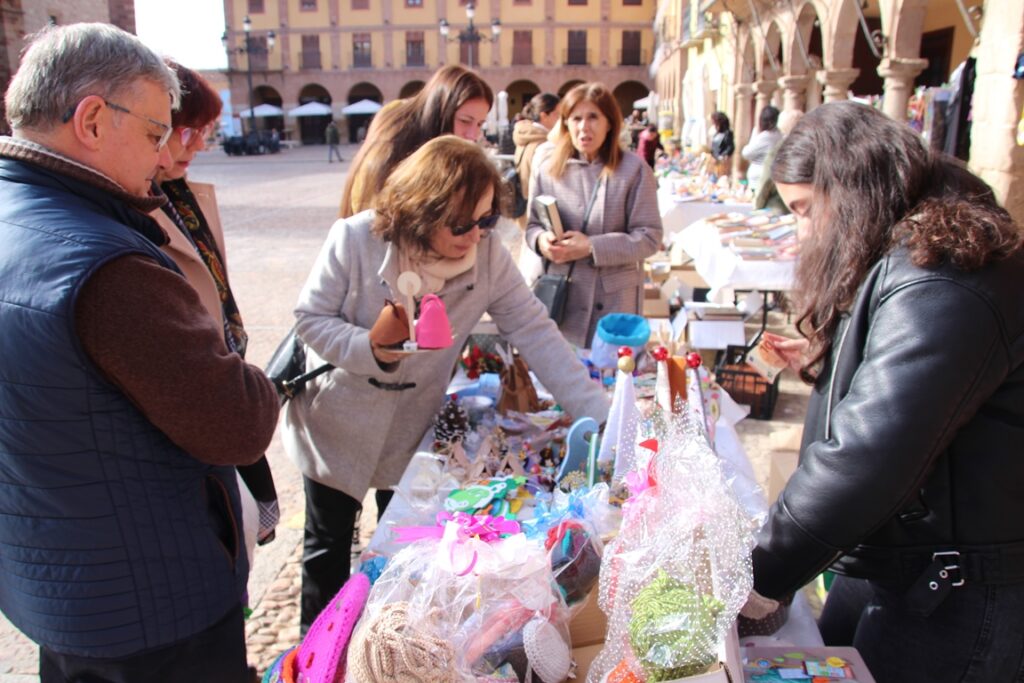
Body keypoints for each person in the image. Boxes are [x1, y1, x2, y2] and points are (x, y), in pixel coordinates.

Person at [0, 23, 279, 682]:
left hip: (58, 586)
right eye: (156, 133)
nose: (162, 157)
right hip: (152, 606)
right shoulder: (105, 261)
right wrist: (251, 375)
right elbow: (238, 421)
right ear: (92, 120)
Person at [283, 135, 610, 632]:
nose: (475, 235)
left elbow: (533, 330)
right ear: (422, 208)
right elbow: (310, 318)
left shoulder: (487, 256)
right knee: (326, 551)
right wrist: (367, 350)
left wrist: (601, 413)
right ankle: (316, 657)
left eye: (486, 220)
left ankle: (384, 646)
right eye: (461, 224)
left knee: (401, 551)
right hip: (338, 425)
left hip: (410, 430)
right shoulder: (354, 239)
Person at [751, 101, 1024, 682]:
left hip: (948, 591)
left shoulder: (944, 271)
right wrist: (835, 358)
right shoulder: (910, 247)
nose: (801, 231)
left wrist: (759, 574)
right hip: (903, 561)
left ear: (848, 191)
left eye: (804, 209)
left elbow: (869, 453)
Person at [150, 60, 280, 551]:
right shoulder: (140, 206)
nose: (198, 144)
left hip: (222, 376)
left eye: (202, 132)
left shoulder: (183, 197)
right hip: (196, 405)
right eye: (187, 130)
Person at [525, 82, 663, 348]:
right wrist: (542, 241)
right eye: (576, 118)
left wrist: (590, 247)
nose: (583, 127)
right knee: (564, 378)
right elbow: (531, 226)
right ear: (566, 124)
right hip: (562, 297)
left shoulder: (634, 171)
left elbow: (650, 237)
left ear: (609, 123)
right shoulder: (548, 169)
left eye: (593, 117)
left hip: (612, 302)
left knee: (609, 377)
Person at [339, 64, 493, 216]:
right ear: (441, 110)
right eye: (465, 121)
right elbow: (371, 207)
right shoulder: (395, 137)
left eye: (480, 124)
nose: (473, 134)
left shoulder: (435, 140)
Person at [741, 105, 782, 193]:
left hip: (759, 179)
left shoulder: (766, 136)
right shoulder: (779, 135)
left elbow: (746, 153)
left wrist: (755, 134)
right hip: (770, 177)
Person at [709, 111, 735, 176]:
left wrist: (722, 156)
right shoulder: (716, 133)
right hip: (714, 161)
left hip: (722, 162)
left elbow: (730, 147)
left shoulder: (727, 133)